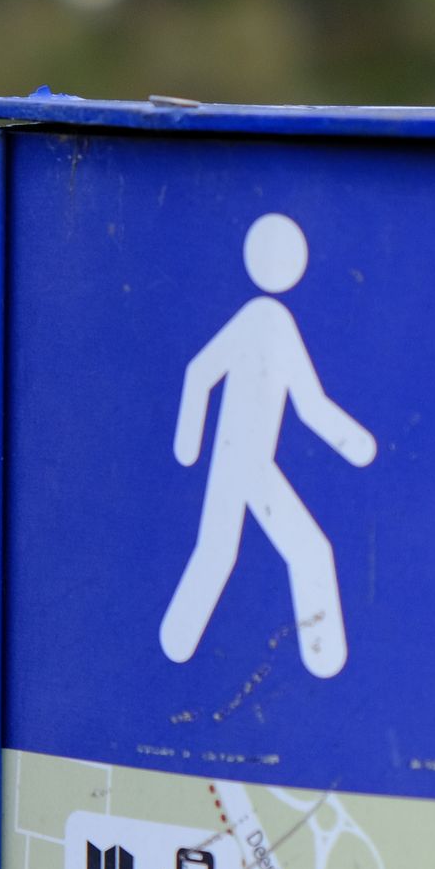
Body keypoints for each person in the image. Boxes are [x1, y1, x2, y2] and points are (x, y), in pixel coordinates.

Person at [160, 213, 377, 678]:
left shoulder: (274, 321)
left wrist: (353, 443)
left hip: (249, 460)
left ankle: (177, 642)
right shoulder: (262, 319)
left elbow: (307, 403)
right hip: (238, 459)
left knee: (226, 551)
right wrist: (186, 445)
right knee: (294, 549)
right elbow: (200, 373)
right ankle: (321, 658)